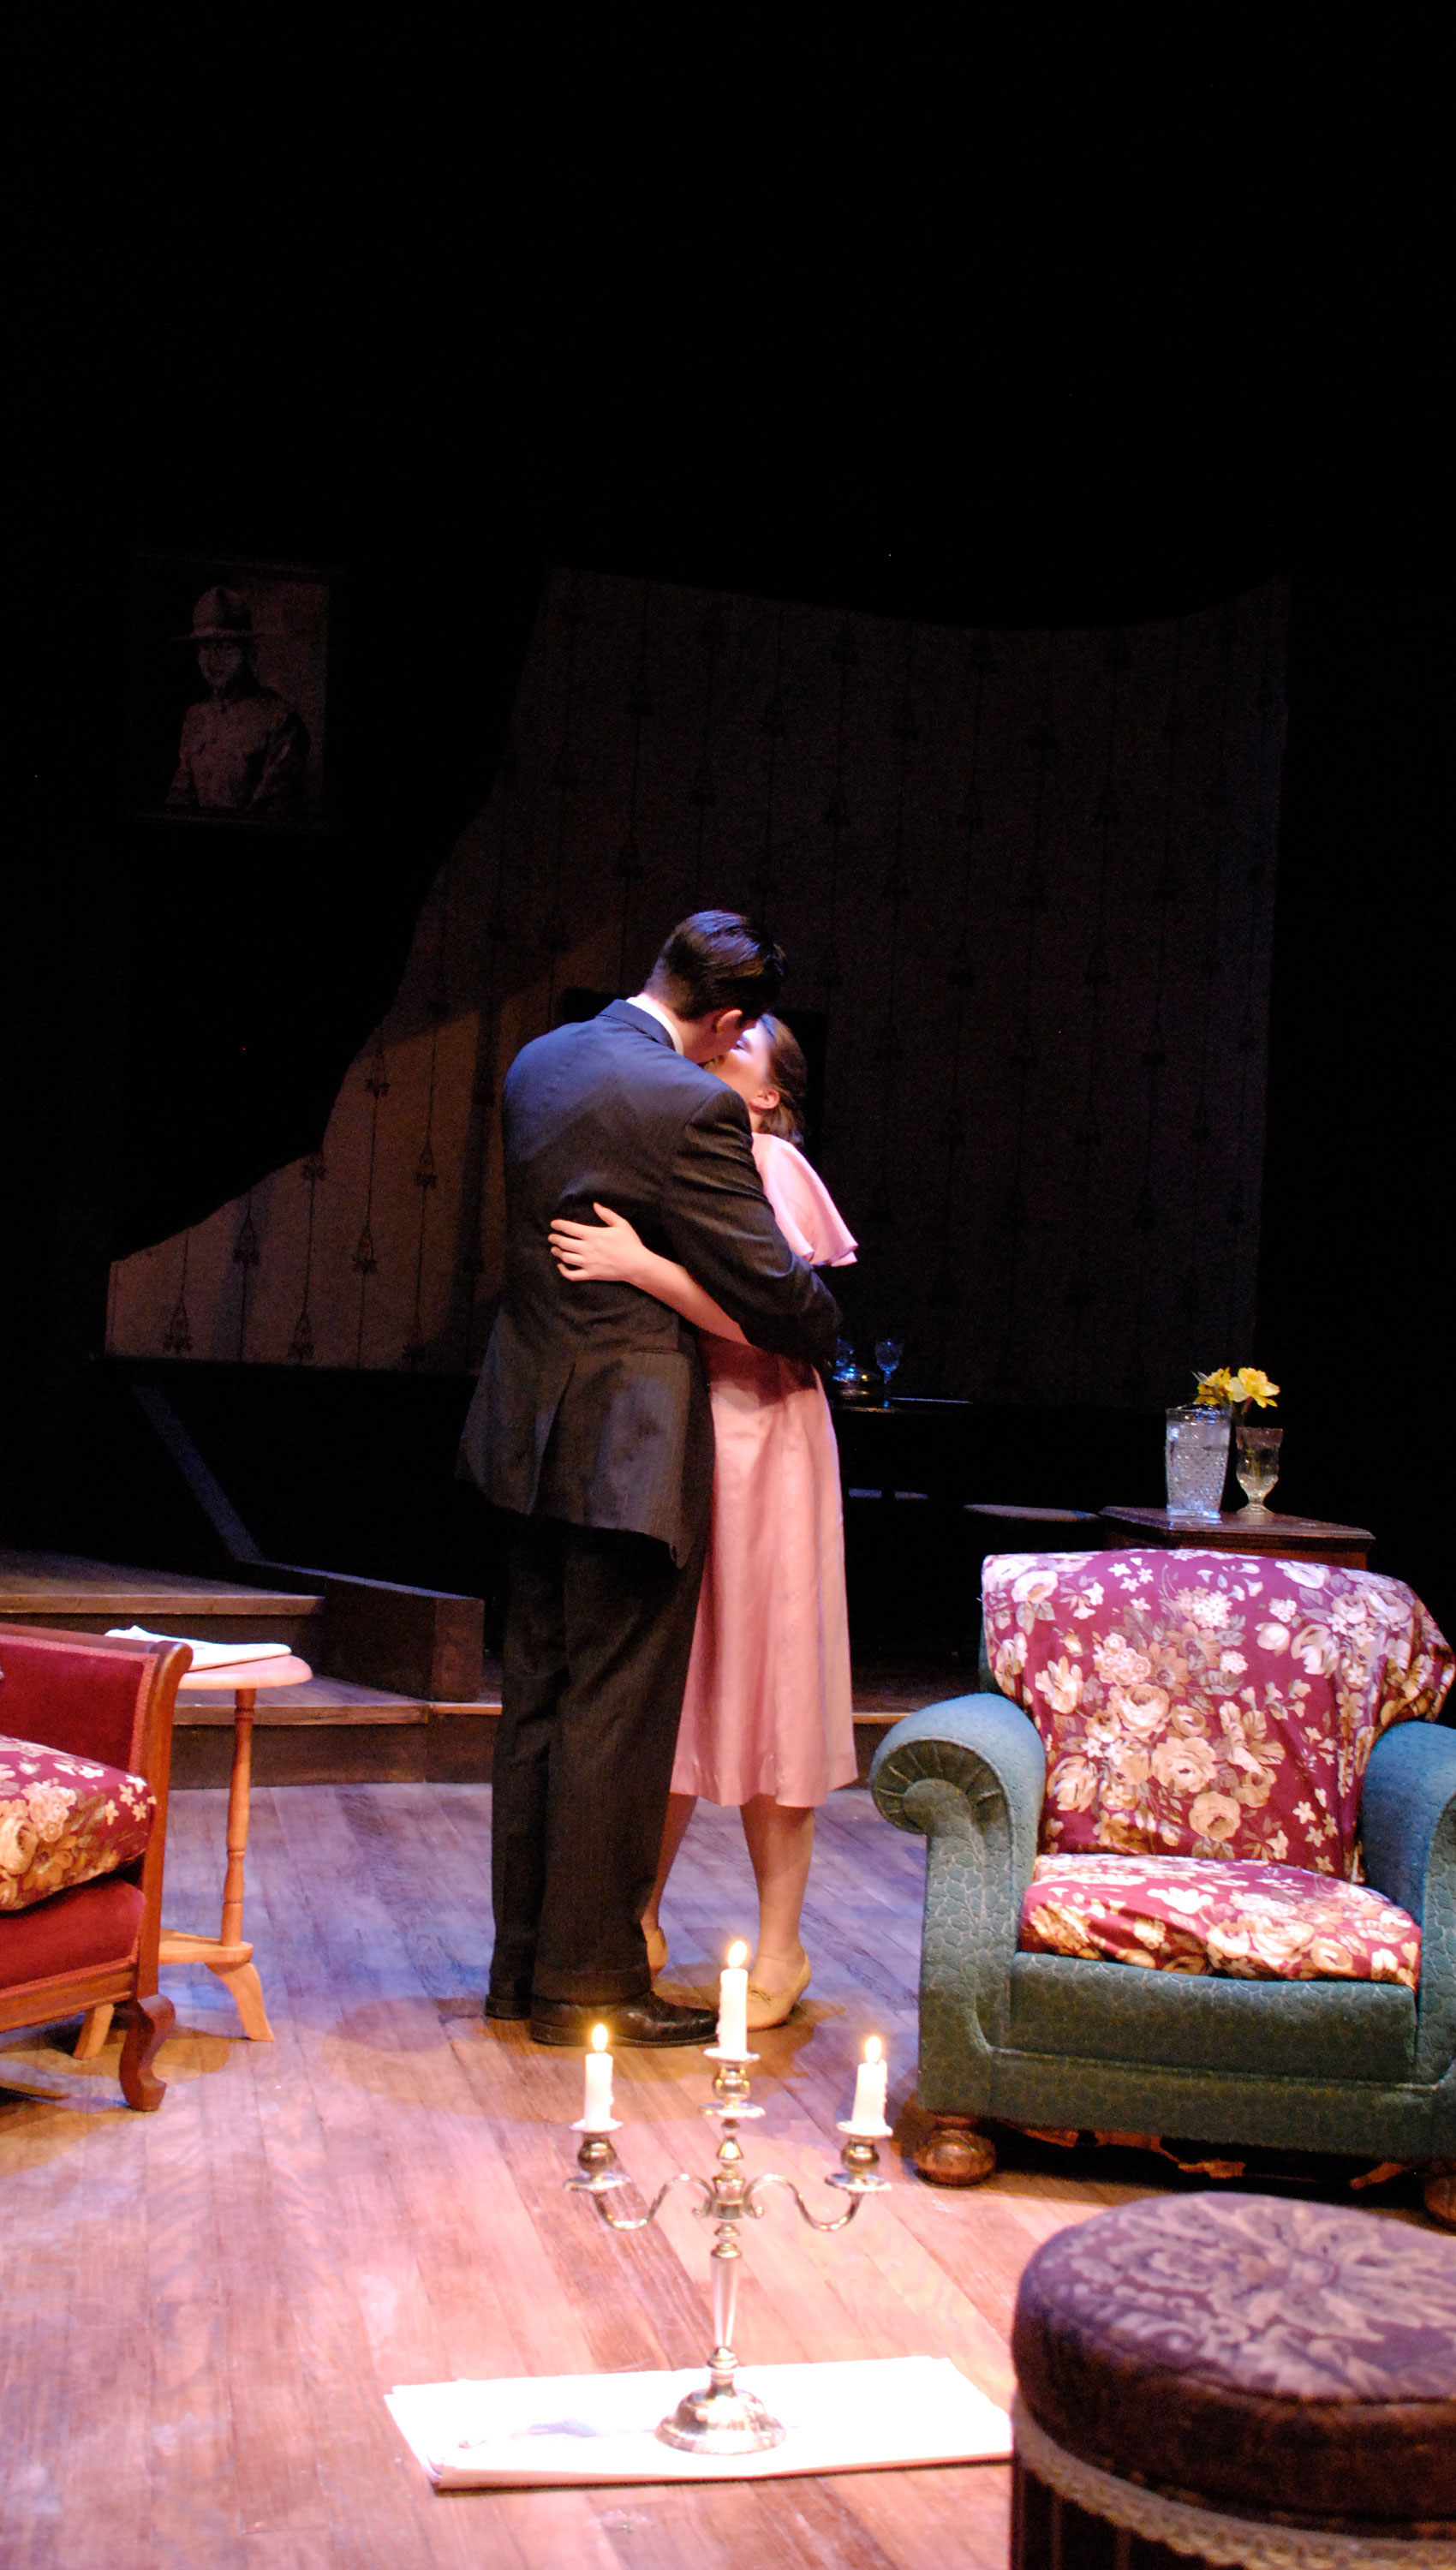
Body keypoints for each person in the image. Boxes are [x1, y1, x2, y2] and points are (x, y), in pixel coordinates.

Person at [459, 913, 841, 2048]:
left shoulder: (542, 1060)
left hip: (528, 1434)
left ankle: (520, 1969)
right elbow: (790, 1306)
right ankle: (588, 1983)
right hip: (631, 1451)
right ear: (722, 1017)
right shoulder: (692, 1107)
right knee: (615, 1722)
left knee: (535, 1705)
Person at [550, 1015, 857, 2030]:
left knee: (773, 1679)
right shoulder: (696, 1143)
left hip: (763, 1432)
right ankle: (637, 1916)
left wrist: (637, 1264)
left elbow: (761, 1315)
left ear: (768, 1095)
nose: (719, 1052)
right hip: (700, 1430)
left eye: (741, 1053)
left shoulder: (765, 1159)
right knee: (674, 1685)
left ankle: (781, 1944)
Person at [167, 586, 310, 818]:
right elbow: (180, 795)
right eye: (205, 648)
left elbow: (274, 809)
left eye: (224, 647)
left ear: (248, 652)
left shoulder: (280, 719)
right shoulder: (195, 717)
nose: (214, 659)